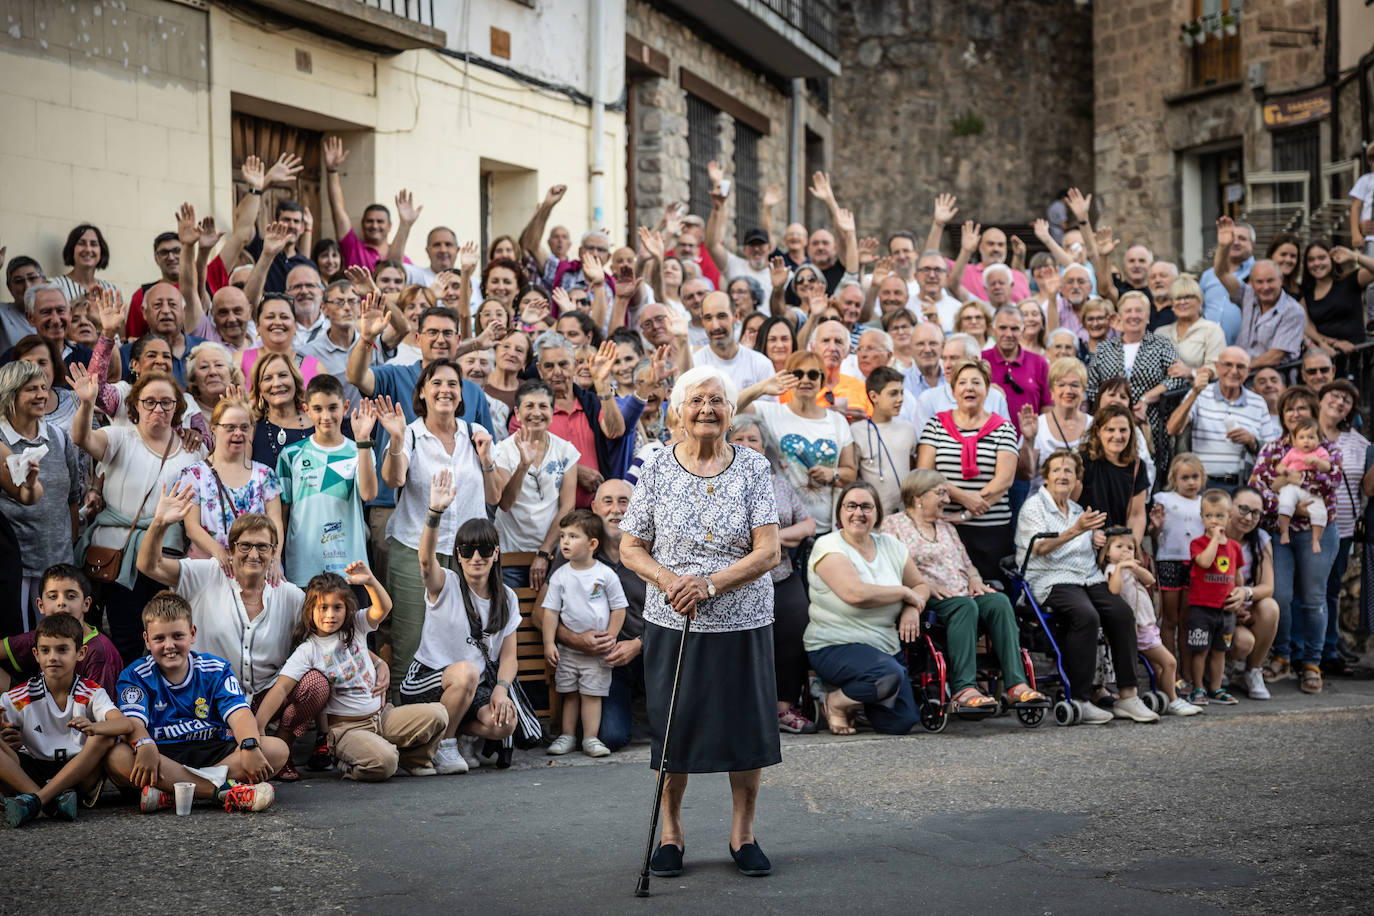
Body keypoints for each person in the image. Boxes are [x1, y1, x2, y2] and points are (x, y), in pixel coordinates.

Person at [618, 366, 782, 879]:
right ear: (679, 411)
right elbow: (630, 547)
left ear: (731, 411)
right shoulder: (656, 466)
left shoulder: (752, 467)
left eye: (717, 401)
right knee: (674, 733)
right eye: (697, 400)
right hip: (673, 620)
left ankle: (743, 835)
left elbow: (769, 551)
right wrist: (670, 580)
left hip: (743, 620)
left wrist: (709, 584)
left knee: (745, 730)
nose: (707, 409)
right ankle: (671, 834)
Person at [136, 498, 328, 782]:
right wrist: (159, 523)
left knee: (316, 683)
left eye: (263, 547)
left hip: (263, 697)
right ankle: (227, 768)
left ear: (274, 551)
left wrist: (376, 662)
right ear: (231, 548)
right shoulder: (206, 574)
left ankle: (281, 748)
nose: (254, 554)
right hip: (211, 700)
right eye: (245, 545)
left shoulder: (289, 595)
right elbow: (148, 565)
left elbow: (327, 636)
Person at [377, 359, 499, 689]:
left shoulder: (476, 433)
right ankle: (405, 713)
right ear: (422, 392)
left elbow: (495, 495)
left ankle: (461, 712)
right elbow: (393, 478)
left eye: (452, 384)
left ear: (461, 394)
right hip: (415, 552)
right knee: (410, 641)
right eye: (436, 383)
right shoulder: (410, 434)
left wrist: (487, 460)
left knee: (467, 639)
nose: (445, 390)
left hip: (470, 554)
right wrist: (396, 439)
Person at [1015, 449, 1158, 724]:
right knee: (1086, 615)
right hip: (1051, 578)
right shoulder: (1034, 507)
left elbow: (1085, 551)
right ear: (1046, 477)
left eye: (1069, 471)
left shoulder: (1078, 510)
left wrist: (1096, 539)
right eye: (1057, 470)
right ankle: (1080, 697)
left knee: (1121, 612)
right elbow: (1040, 548)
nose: (1062, 475)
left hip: (1087, 577)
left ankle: (1128, 695)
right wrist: (1076, 531)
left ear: (1076, 479)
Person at [261, 567, 445, 782]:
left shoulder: (356, 626)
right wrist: (257, 727)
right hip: (348, 729)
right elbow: (281, 688)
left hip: (382, 717)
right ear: (310, 610)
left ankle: (412, 759)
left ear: (347, 608)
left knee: (439, 714)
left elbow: (384, 608)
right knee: (385, 762)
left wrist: (370, 581)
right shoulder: (309, 650)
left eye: (337, 607)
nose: (330, 614)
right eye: (323, 607)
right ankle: (352, 764)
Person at [107, 591, 285, 812]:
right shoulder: (135, 675)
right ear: (147, 640)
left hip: (212, 751)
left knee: (276, 750)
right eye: (159, 638)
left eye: (177, 636)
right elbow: (133, 723)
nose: (169, 645)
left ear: (192, 634)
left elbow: (239, 714)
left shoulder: (215, 669)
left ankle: (172, 791)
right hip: (161, 754)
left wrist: (249, 745)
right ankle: (224, 791)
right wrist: (144, 744)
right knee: (116, 757)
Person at [882, 470, 1044, 713]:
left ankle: (1016, 686)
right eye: (940, 493)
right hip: (928, 598)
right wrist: (923, 585)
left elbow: (967, 564)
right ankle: (963, 689)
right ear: (918, 497)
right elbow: (888, 568)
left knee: (999, 601)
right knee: (964, 605)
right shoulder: (892, 526)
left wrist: (975, 579)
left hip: (962, 594)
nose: (947, 500)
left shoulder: (946, 527)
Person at [70, 368, 202, 662]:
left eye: (166, 402)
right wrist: (87, 403)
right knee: (125, 635)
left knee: (163, 633)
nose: (158, 409)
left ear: (177, 408)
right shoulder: (120, 437)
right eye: (150, 401)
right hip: (118, 554)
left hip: (165, 554)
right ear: (136, 405)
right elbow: (81, 437)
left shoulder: (193, 450)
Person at [398, 506, 521, 775]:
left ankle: (457, 733)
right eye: (467, 550)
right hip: (427, 679)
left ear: (496, 553)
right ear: (458, 555)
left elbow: (509, 658)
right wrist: (434, 512)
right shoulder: (447, 584)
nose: (476, 557)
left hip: (472, 686)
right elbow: (426, 560)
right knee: (467, 672)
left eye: (484, 550)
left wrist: (501, 689)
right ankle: (444, 744)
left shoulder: (507, 597)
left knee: (505, 723)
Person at [804, 480, 927, 732]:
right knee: (887, 674)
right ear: (840, 512)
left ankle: (856, 699)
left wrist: (912, 608)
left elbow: (921, 585)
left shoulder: (891, 545)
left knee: (901, 722)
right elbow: (854, 594)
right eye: (851, 506)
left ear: (877, 513)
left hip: (884, 647)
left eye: (866, 507)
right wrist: (904, 592)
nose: (858, 513)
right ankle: (836, 702)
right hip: (835, 644)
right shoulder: (828, 545)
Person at [726, 416, 816, 734]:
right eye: (739, 439)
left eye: (753, 440)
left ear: (764, 448)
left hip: (780, 574)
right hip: (737, 579)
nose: (746, 445)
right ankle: (742, 711)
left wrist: (771, 539)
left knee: (795, 627)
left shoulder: (778, 482)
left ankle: (783, 708)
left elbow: (808, 524)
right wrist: (770, 540)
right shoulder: (719, 482)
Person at [1249, 386, 1341, 693]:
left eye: (1302, 408)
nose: (1295, 413)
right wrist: (1285, 501)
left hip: (1318, 531)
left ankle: (1312, 663)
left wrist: (1290, 479)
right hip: (1280, 530)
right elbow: (1257, 486)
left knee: (1314, 599)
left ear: (1313, 413)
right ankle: (1283, 657)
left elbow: (1331, 481)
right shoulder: (1273, 448)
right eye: (1289, 408)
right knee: (1279, 596)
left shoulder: (1328, 448)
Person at [0, 613, 131, 826]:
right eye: (45, 650)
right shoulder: (21, 697)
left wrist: (95, 727)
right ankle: (48, 802)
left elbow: (124, 723)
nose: (53, 657)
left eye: (62, 649)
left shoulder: (90, 692)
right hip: (33, 771)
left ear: (80, 653)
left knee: (105, 735)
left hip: (78, 773)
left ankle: (37, 801)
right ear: (36, 654)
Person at [915, 358, 1019, 583]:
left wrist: (968, 512)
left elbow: (1005, 479)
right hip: (945, 525)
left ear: (987, 389)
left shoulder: (1004, 428)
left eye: (976, 382)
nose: (969, 388)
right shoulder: (936, 425)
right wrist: (963, 497)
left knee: (992, 590)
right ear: (953, 391)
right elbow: (924, 474)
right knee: (951, 589)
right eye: (962, 383)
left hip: (991, 529)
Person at [737, 354, 856, 534]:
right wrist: (762, 388)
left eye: (813, 375)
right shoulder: (772, 412)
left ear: (822, 379)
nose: (805, 380)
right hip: (784, 527)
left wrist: (833, 474)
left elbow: (851, 472)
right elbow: (729, 407)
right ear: (788, 378)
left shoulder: (837, 421)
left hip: (826, 527)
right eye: (798, 374)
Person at [540, 510, 626, 759]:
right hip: (568, 651)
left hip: (598, 651)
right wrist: (549, 643)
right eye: (563, 536)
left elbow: (619, 608)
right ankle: (567, 735)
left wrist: (611, 636)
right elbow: (550, 612)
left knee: (591, 695)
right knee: (569, 693)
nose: (565, 541)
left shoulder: (605, 574)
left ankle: (590, 738)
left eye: (573, 536)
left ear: (592, 544)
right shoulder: (560, 576)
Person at [277, 375, 378, 586]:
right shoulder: (290, 454)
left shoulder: (360, 450)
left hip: (350, 568)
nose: (326, 416)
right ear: (306, 410)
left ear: (346, 407)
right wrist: (277, 559)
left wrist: (363, 442)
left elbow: (368, 494)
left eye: (333, 408)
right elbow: (282, 515)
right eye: (318, 409)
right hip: (303, 568)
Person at [0, 360, 80, 623]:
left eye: (44, 388)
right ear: (11, 394)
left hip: (58, 561)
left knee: (59, 634)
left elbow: (72, 496)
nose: (42, 395)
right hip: (14, 563)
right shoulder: (1, 440)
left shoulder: (59, 436)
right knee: (21, 637)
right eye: (31, 389)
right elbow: (25, 496)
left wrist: (71, 542)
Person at [1099, 529, 1198, 716]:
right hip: (1138, 629)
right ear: (1107, 553)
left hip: (1148, 625)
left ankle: (1166, 696)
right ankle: (1173, 700)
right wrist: (1120, 567)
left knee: (1160, 665)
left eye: (1130, 547)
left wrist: (1134, 567)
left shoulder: (1132, 569)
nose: (1125, 551)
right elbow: (1114, 590)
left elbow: (1150, 580)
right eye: (1119, 547)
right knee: (1170, 662)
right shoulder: (1112, 570)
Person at [175, 398, 283, 570]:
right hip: (209, 567)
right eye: (230, 427)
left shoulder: (265, 474)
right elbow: (192, 527)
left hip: (256, 569)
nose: (238, 433)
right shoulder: (194, 474)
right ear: (214, 428)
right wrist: (218, 551)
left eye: (244, 427)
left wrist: (275, 559)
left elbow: (276, 523)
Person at [1084, 291, 1186, 472]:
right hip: (1109, 425)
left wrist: (1147, 399)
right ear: (1120, 316)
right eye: (1128, 311)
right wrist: (1114, 406)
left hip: (1150, 421)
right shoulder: (1104, 348)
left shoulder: (1161, 344)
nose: (1133, 315)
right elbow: (1092, 387)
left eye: (1139, 311)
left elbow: (1177, 379)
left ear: (1147, 317)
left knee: (1144, 473)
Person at [1166, 347, 1275, 492]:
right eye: (1228, 365)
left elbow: (1272, 451)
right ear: (1217, 367)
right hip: (1203, 484)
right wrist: (1194, 393)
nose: (1234, 371)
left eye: (1240, 367)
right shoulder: (1200, 394)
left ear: (1248, 372)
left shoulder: (1258, 402)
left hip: (1241, 485)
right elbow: (1172, 428)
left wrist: (1251, 441)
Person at [0, 565, 122, 693]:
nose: (61, 602)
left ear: (86, 604)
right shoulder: (43, 635)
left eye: (71, 596)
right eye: (53, 596)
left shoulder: (99, 652)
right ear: (41, 605)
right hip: (41, 702)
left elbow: (98, 704)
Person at [1317, 380, 1367, 675]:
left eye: (1347, 400)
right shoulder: (1305, 433)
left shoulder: (1359, 443)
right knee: (1306, 591)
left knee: (1331, 589)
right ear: (1321, 399)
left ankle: (1329, 648)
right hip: (1306, 526)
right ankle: (1303, 650)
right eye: (1334, 395)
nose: (1339, 402)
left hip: (1343, 528)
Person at [1213, 221, 1305, 369]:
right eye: (1259, 282)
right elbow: (1221, 273)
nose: (1265, 287)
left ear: (1280, 279)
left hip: (1271, 377)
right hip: (1241, 374)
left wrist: (1238, 368)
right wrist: (1224, 247)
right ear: (1252, 283)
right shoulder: (1248, 295)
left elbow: (1274, 357)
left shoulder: (1293, 311)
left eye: (1270, 281)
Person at [1182, 490, 1244, 706]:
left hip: (1225, 610)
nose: (1214, 521)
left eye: (1219, 516)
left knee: (1220, 651)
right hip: (1202, 608)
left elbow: (1237, 575)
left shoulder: (1234, 547)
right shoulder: (1198, 543)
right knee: (1200, 651)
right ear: (1201, 517)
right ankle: (1198, 687)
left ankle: (1216, 688)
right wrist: (1215, 540)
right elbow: (1205, 562)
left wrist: (1240, 598)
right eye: (1208, 516)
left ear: (1229, 517)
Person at [1149, 453, 1206, 673]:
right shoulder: (1163, 499)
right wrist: (1155, 526)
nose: (1191, 482)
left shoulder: (1205, 503)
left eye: (1195, 477)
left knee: (1187, 620)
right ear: (1174, 478)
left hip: (1196, 563)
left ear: (1202, 477)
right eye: (1185, 478)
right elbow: (1154, 533)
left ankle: (1188, 672)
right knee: (1170, 619)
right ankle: (1169, 672)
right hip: (1169, 561)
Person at [1226, 486, 1279, 699]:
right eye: (1243, 509)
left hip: (1244, 610)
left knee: (1270, 607)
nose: (1248, 518)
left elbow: (1267, 587)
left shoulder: (1260, 539)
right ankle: (1218, 666)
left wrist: (1245, 593)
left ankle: (1252, 671)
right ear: (1229, 507)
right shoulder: (1214, 534)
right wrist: (1232, 608)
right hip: (1216, 610)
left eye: (1255, 513)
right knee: (1242, 643)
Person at [1077, 403, 1149, 545]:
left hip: (1120, 545)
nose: (1117, 436)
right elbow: (1069, 507)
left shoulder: (1137, 466)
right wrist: (1089, 533)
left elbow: (1137, 515)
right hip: (1086, 542)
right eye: (1110, 429)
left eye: (1123, 430)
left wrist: (1130, 547)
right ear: (1098, 431)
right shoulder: (1082, 462)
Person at [1017, 357, 1090, 487]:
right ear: (1051, 390)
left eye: (1074, 385)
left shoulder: (1094, 425)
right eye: (1061, 385)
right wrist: (1028, 440)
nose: (1068, 391)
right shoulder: (1038, 425)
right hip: (1043, 498)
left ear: (1083, 390)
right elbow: (1025, 475)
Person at [852, 366, 915, 515]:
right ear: (874, 397)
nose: (900, 399)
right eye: (893, 393)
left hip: (904, 515)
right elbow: (853, 476)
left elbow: (912, 466)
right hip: (872, 515)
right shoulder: (857, 431)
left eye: (901, 393)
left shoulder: (908, 429)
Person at [239, 294, 324, 391]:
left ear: (295, 326)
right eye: (270, 317)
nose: (278, 322)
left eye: (284, 317)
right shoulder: (239, 361)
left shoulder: (316, 368)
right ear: (257, 326)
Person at [692, 292, 775, 390]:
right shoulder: (695, 364)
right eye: (708, 318)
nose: (715, 326)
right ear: (702, 321)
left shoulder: (761, 364)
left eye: (721, 316)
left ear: (735, 316)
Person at [1301, 241, 1372, 352]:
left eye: (1322, 258)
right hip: (1326, 357)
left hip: (1358, 354)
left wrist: (1354, 256)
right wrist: (1334, 343)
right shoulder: (1305, 293)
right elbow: (1308, 328)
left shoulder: (1350, 280)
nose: (1316, 263)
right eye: (1311, 260)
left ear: (1332, 259)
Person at [1273, 417, 1331, 551]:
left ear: (1319, 439)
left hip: (1311, 490)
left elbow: (1327, 467)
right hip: (1291, 486)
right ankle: (1284, 532)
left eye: (1311, 437)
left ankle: (1315, 539)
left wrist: (1317, 461)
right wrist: (1283, 470)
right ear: (1295, 440)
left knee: (1320, 512)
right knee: (1285, 504)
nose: (1306, 441)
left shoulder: (1320, 452)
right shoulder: (1293, 452)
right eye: (1302, 437)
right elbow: (1280, 466)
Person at [249, 350, 313, 471]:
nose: (276, 383)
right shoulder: (251, 430)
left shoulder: (317, 423)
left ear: (295, 381)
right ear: (259, 390)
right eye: (267, 378)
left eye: (283, 375)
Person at [1157, 275, 1224, 377]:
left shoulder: (1212, 330)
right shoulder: (1161, 332)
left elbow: (1216, 368)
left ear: (1200, 301)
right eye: (1178, 298)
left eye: (1188, 297)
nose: (1182, 302)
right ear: (1172, 304)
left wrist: (1191, 372)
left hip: (1198, 386)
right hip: (1163, 386)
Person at [1199, 217, 1253, 343]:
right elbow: (1199, 309)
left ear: (1252, 244)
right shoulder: (1208, 275)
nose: (1235, 242)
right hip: (1208, 347)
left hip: (1243, 349)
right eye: (1232, 238)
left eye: (1242, 238)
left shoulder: (1259, 274)